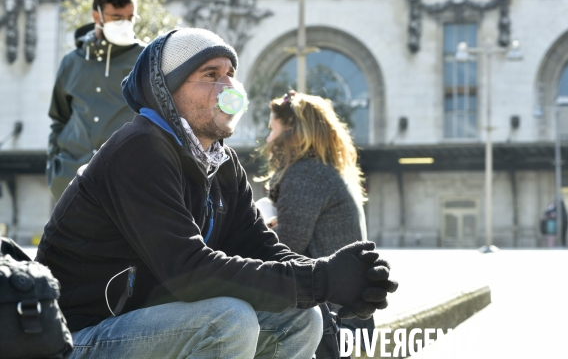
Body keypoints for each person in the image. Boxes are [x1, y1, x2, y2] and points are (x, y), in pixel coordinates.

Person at [36, 28, 397, 359]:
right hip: (77, 337)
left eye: (230, 75)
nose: (229, 88)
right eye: (211, 75)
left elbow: (262, 246)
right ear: (169, 90)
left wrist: (328, 287)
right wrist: (318, 280)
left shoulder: (221, 163)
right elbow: (189, 272)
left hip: (150, 323)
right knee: (228, 320)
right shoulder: (139, 148)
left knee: (299, 316)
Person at [258, 91, 373, 357]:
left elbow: (284, 252)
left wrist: (260, 227)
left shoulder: (306, 175)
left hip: (335, 326)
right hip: (350, 320)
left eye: (271, 129)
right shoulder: (325, 171)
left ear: (290, 130)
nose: (268, 139)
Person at [46, 0, 145, 200]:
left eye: (130, 17)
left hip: (127, 184)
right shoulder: (71, 62)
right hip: (71, 183)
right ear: (97, 16)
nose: (125, 24)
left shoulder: (147, 59)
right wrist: (55, 167)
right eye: (117, 17)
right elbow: (59, 118)